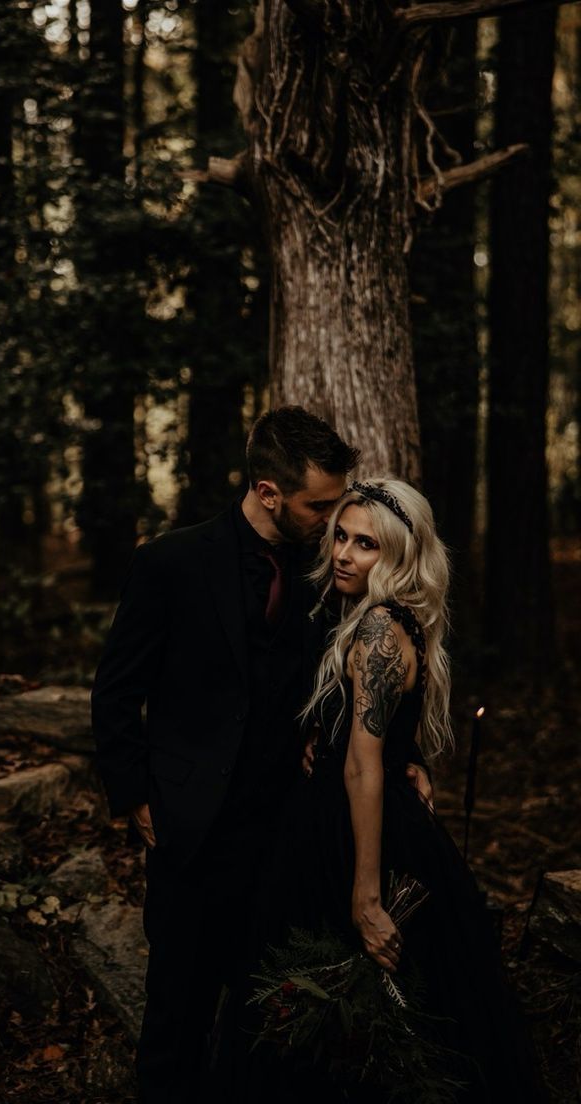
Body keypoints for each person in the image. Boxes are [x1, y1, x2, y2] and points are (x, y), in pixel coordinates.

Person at [91, 410, 433, 1103]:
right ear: (269, 491)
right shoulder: (170, 561)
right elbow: (116, 691)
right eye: (318, 505)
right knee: (176, 1020)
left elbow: (365, 687)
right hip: (191, 831)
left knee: (268, 1021)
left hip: (287, 837)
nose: (333, 520)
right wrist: (133, 798)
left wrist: (408, 754)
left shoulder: (330, 572)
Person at [215, 477, 540, 1103]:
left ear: (396, 558)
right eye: (340, 534)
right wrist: (330, 737)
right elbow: (378, 735)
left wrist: (365, 898)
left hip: (353, 834)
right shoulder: (381, 619)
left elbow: (364, 766)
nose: (343, 553)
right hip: (343, 818)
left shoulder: (377, 629)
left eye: (366, 545)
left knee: (362, 1024)